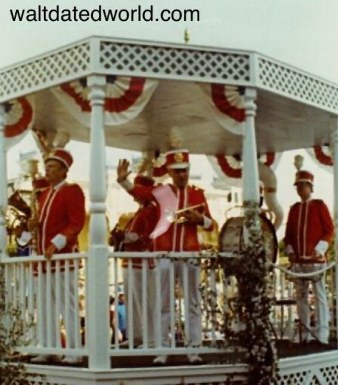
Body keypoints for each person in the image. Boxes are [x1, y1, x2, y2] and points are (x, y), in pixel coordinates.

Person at [117, 149, 215, 364]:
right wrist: (124, 181)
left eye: (185, 170)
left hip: (190, 254)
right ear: (170, 171)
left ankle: (194, 349)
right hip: (164, 255)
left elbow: (211, 224)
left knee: (192, 303)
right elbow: (140, 193)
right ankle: (162, 349)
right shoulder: (161, 192)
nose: (182, 175)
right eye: (178, 171)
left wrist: (199, 219)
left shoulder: (198, 193)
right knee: (162, 303)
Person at [29, 148, 86, 364]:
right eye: (47, 167)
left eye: (52, 167)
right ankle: (49, 347)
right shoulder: (45, 194)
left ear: (64, 170)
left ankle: (74, 351)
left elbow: (76, 223)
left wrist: (56, 243)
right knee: (45, 306)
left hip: (63, 259)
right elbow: (44, 226)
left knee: (67, 304)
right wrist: (33, 226)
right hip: (44, 261)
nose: (47, 170)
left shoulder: (72, 191)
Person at [284, 169, 334, 345]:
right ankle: (303, 333)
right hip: (299, 261)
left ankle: (322, 334)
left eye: (303, 185)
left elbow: (329, 231)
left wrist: (319, 249)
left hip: (316, 261)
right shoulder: (294, 209)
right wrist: (290, 251)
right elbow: (288, 235)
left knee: (320, 295)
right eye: (298, 186)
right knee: (301, 296)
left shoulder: (319, 205)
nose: (300, 189)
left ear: (310, 187)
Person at [110, 175, 158, 348]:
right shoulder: (139, 211)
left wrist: (126, 236)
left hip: (142, 261)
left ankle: (150, 338)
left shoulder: (152, 210)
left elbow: (147, 237)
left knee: (144, 301)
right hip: (130, 261)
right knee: (132, 300)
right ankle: (137, 336)